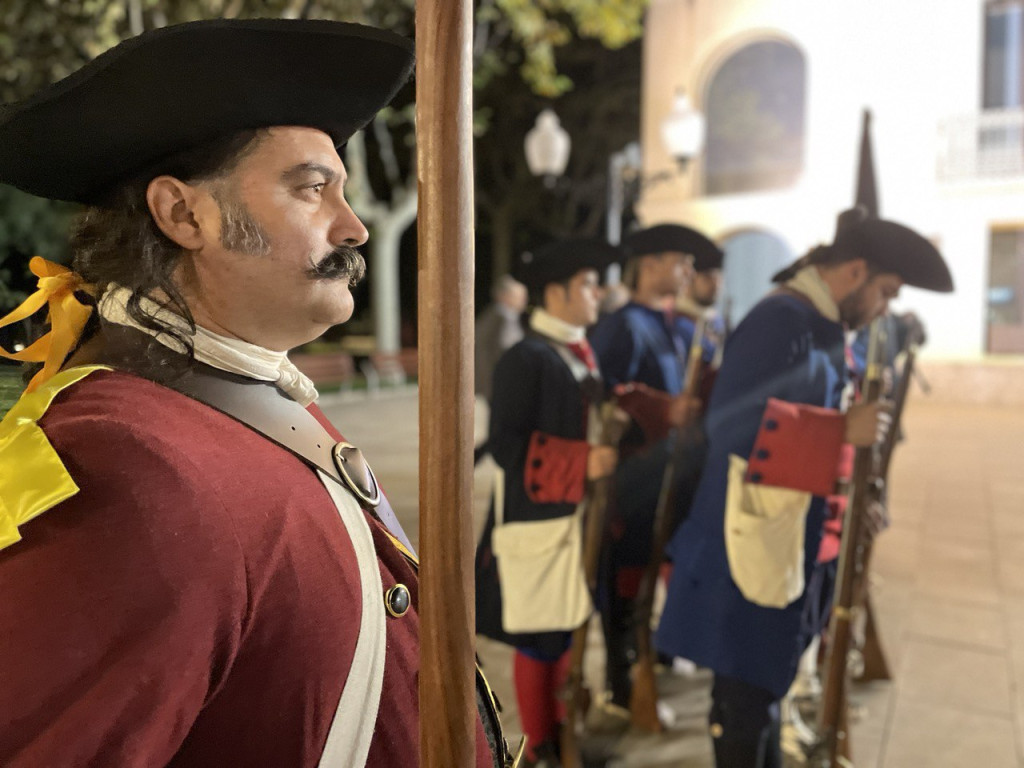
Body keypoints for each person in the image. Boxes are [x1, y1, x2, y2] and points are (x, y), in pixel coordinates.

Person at [0, 19, 506, 768]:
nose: (356, 227)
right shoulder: (125, 466)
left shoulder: (243, 392)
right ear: (183, 214)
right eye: (312, 190)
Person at [655, 207, 953, 768]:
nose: (884, 308)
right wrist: (842, 428)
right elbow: (734, 428)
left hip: (787, 534)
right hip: (751, 541)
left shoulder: (819, 323)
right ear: (856, 271)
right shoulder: (781, 322)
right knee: (743, 704)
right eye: (885, 292)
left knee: (764, 693)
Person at [474, 238, 621, 767]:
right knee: (540, 635)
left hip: (570, 518)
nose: (597, 293)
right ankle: (541, 746)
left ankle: (562, 735)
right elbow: (510, 448)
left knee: (562, 629)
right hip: (534, 524)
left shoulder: (577, 350)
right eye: (587, 283)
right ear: (556, 293)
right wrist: (583, 463)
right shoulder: (526, 357)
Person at [588, 223, 720, 712]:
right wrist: (660, 409)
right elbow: (601, 400)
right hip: (633, 484)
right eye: (680, 262)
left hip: (676, 474)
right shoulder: (621, 325)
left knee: (667, 566)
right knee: (626, 582)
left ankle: (661, 651)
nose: (689, 273)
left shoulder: (682, 325)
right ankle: (620, 680)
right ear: (650, 265)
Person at [475, 274, 528, 404]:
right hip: (498, 380)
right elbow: (508, 348)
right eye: (520, 297)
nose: (524, 301)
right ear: (505, 297)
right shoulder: (504, 317)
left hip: (491, 380)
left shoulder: (494, 314)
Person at [675, 236, 726, 367]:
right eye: (708, 277)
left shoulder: (717, 320)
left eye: (718, 278)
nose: (715, 285)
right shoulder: (677, 322)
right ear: (690, 280)